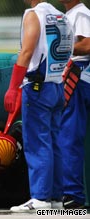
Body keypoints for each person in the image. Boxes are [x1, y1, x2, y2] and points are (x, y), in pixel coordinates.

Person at [3, 0, 73, 212]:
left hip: (37, 87)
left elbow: (27, 51)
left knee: (37, 143)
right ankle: (55, 199)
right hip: (56, 85)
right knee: (55, 143)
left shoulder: (34, 14)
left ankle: (40, 199)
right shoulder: (61, 15)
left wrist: (13, 87)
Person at [58, 0, 90, 209]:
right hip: (78, 77)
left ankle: (73, 195)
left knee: (68, 136)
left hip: (80, 78)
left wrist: (59, 47)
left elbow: (88, 44)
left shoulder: (80, 13)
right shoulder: (70, 14)